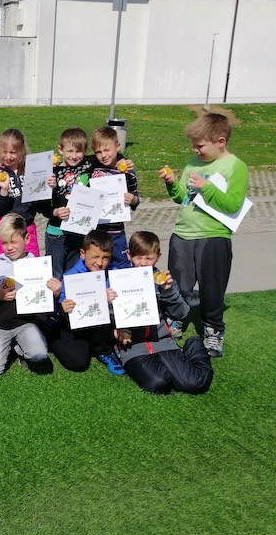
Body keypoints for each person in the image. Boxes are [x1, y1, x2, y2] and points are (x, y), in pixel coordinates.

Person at [160, 113, 249, 357]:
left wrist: (206, 187)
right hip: (182, 234)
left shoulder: (236, 166)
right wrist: (171, 183)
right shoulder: (192, 164)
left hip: (214, 236)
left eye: (200, 145)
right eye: (194, 145)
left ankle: (213, 329)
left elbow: (233, 204)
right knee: (179, 285)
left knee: (212, 288)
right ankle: (175, 320)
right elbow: (182, 198)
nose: (195, 150)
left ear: (220, 141)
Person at [115, 231, 214, 394]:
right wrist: (111, 306)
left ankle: (194, 345)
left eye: (148, 258)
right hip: (133, 347)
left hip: (162, 342)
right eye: (138, 258)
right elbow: (110, 317)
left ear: (158, 257)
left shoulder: (162, 280)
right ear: (129, 255)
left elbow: (180, 313)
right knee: (159, 383)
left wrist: (168, 291)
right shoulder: (118, 280)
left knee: (193, 383)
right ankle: (169, 368)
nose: (142, 263)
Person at [0, 214, 61, 376]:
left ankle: (20, 348)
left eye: (13, 241)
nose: (9, 247)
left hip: (25, 323)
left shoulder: (38, 265)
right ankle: (5, 346)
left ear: (27, 238)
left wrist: (55, 293)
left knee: (39, 355)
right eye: (4, 243)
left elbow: (44, 301)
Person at [53, 230, 124, 375]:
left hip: (102, 325)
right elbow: (61, 311)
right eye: (95, 257)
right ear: (83, 253)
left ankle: (104, 350)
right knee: (77, 362)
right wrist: (63, 307)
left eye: (105, 258)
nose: (100, 263)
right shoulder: (70, 277)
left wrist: (112, 300)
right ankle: (52, 336)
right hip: (76, 327)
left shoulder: (115, 274)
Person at [45, 127, 94, 280]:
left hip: (79, 231)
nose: (74, 156)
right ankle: (56, 297)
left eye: (78, 151)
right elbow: (42, 205)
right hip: (56, 232)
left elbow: (108, 157)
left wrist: (123, 160)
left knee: (73, 274)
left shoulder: (89, 165)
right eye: (70, 151)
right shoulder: (52, 171)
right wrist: (54, 212)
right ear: (60, 149)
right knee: (55, 274)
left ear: (85, 150)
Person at [88, 126, 140, 269]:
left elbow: (136, 198)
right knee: (96, 267)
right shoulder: (92, 168)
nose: (103, 155)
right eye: (98, 152)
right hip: (95, 231)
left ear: (117, 146)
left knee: (121, 267)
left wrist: (132, 200)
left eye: (107, 150)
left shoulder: (127, 171)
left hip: (116, 231)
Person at [0, 129, 43, 258]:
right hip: (5, 230)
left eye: (12, 152)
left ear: (21, 151)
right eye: (4, 152)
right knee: (3, 267)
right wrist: (4, 189)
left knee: (30, 266)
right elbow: (1, 209)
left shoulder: (32, 172)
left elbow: (40, 205)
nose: (8, 156)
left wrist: (46, 186)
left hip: (27, 229)